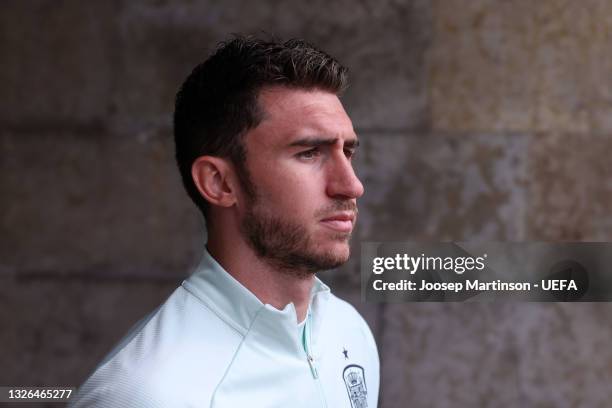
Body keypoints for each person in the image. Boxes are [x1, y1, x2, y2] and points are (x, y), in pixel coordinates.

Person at [70, 35, 379, 408]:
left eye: (347, 152)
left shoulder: (348, 331)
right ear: (219, 183)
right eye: (309, 153)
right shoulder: (143, 393)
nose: (352, 185)